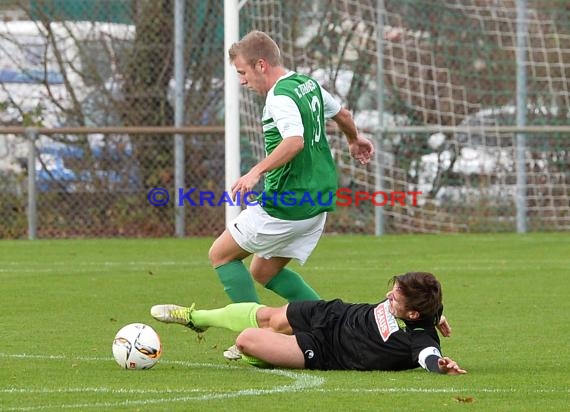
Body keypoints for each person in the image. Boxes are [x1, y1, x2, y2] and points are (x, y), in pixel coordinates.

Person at [209, 30, 375, 304]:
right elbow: (342, 114)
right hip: (318, 200)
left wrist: (255, 171)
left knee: (220, 255)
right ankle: (326, 326)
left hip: (288, 203)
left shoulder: (279, 97)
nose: (241, 81)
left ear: (261, 65)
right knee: (263, 271)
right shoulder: (306, 83)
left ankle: (253, 336)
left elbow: (294, 141)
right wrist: (354, 139)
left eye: (243, 72)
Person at [150, 272, 466, 374]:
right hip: (333, 313)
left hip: (323, 349)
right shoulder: (421, 308)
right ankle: (194, 318)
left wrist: (440, 364)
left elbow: (426, 355)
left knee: (248, 338)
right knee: (267, 316)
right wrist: (438, 314)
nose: (387, 296)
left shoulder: (421, 337)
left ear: (413, 314)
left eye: (394, 298)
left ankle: (255, 354)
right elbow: (429, 308)